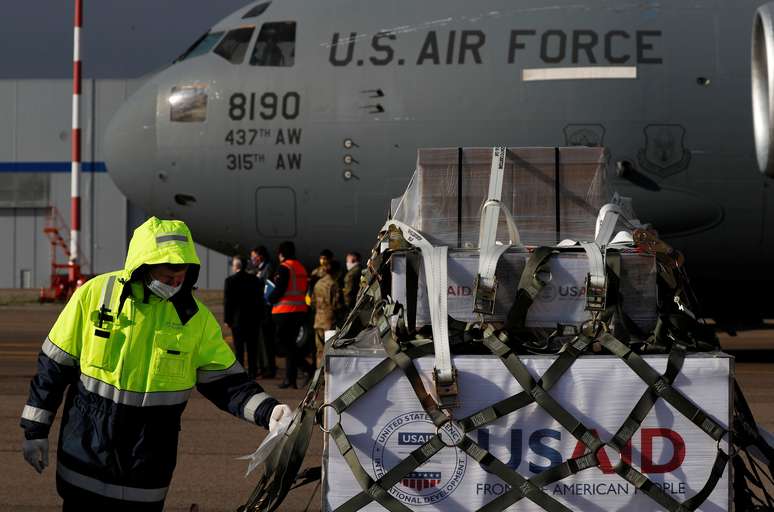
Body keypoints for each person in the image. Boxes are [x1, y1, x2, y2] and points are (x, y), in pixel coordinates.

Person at [20, 217, 291, 511]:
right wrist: (35, 430)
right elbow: (54, 367)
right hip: (87, 454)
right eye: (167, 278)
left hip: (147, 463)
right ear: (143, 268)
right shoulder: (95, 296)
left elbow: (227, 383)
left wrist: (268, 411)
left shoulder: (195, 320)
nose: (174, 285)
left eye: (180, 279)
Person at [268, 241, 314, 389]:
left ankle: (306, 369)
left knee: (283, 344)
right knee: (291, 345)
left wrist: (270, 298)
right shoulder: (300, 267)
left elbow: (280, 290)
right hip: (299, 311)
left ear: (281, 253)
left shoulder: (284, 268)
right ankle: (290, 378)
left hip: (285, 312)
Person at [224, 255, 263, 379]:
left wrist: (227, 319)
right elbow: (259, 301)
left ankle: (240, 373)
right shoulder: (255, 280)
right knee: (252, 348)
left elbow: (228, 302)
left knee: (239, 349)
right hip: (253, 320)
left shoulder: (230, 280)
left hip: (237, 321)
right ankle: (253, 372)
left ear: (236, 266)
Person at [248, 246, 276, 378]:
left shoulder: (268, 268)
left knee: (266, 341)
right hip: (261, 310)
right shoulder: (260, 269)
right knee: (262, 342)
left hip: (266, 310)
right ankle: (265, 368)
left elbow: (268, 288)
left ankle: (269, 369)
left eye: (253, 256)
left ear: (260, 256)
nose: (252, 259)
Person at [310, 259, 341, 368]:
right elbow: (336, 304)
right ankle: (328, 377)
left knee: (319, 350)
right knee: (329, 350)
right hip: (329, 320)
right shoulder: (333, 284)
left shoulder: (318, 283)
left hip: (318, 320)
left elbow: (312, 302)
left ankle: (319, 375)